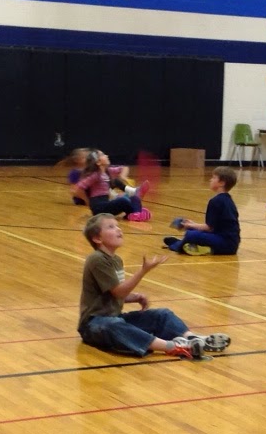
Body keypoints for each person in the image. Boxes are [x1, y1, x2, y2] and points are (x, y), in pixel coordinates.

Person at [79, 213, 230, 359]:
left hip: (114, 317)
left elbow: (112, 295)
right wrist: (143, 270)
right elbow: (118, 293)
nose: (118, 229)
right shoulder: (97, 259)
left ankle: (193, 339)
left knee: (162, 315)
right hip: (93, 325)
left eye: (118, 226)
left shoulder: (116, 260)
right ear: (97, 238)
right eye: (111, 227)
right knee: (114, 325)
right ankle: (172, 347)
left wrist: (135, 297)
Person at [162, 166, 240, 256]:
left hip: (224, 243)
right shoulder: (228, 200)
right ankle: (190, 245)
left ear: (221, 183)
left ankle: (180, 245)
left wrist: (191, 226)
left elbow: (209, 228)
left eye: (214, 178)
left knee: (191, 234)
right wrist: (192, 225)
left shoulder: (215, 201)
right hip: (232, 244)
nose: (210, 180)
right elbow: (214, 227)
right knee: (193, 231)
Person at [73, 149, 150, 222]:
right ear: (98, 162)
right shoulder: (96, 175)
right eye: (102, 155)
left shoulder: (107, 171)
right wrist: (88, 201)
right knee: (123, 200)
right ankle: (136, 212)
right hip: (99, 209)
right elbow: (78, 189)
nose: (106, 155)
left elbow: (124, 167)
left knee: (134, 198)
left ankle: (134, 214)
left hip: (106, 204)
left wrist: (123, 176)